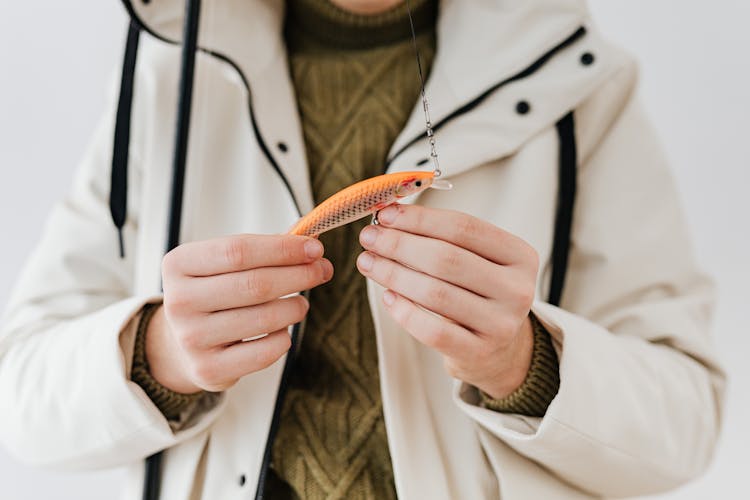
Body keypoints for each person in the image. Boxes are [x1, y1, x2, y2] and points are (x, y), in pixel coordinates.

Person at [0, 0, 725, 499]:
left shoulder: (582, 84)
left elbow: (686, 424)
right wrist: (158, 354)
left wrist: (523, 363)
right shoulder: (161, 73)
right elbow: (20, 400)